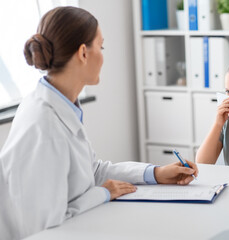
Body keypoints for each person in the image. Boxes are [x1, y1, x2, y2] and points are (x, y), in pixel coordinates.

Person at [0, 6, 198, 239]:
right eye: (101, 47)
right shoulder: (44, 125)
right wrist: (102, 194)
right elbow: (44, 226)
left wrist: (156, 173)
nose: (103, 56)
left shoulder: (62, 105)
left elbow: (94, 170)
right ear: (83, 53)